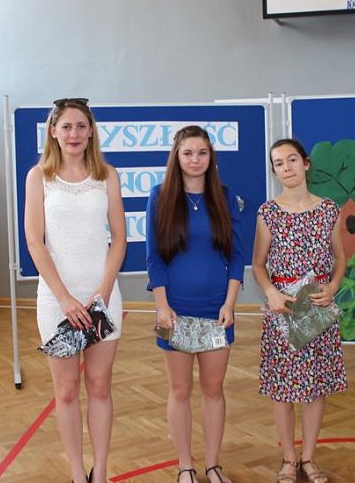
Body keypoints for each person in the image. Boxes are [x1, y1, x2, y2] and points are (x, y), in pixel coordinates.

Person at [25, 98, 126, 483]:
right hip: (57, 301)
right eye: (66, 126)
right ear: (53, 131)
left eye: (81, 126)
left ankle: (100, 472)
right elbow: (35, 242)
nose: (74, 134)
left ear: (91, 131)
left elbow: (119, 239)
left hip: (101, 298)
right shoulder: (39, 177)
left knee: (99, 386)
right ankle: (77, 474)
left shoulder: (107, 175)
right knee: (66, 391)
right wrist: (65, 298)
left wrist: (103, 290)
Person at [145, 125, 245, 483]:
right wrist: (162, 306)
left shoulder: (225, 196)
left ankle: (213, 464)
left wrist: (230, 304)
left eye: (202, 152)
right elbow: (154, 257)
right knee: (180, 390)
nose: (195, 159)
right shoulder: (159, 196)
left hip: (217, 311)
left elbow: (236, 257)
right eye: (187, 153)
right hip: (175, 311)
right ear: (176, 156)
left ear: (210, 157)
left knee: (213, 390)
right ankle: (185, 465)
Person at [252, 138, 348, 483]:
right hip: (284, 309)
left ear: (305, 163)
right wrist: (271, 293)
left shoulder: (329, 210)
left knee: (315, 386)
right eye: (279, 163)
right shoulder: (268, 213)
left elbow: (340, 258)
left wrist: (332, 287)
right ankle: (288, 459)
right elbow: (258, 264)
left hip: (317, 308)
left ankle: (309, 458)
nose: (286, 168)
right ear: (274, 171)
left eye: (292, 160)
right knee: (283, 388)